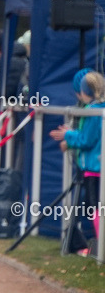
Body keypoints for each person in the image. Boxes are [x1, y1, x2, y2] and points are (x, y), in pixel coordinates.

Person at [50, 70, 105, 255]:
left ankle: (101, 246)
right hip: (98, 167)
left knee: (96, 209)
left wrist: (68, 135)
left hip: (93, 169)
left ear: (83, 92)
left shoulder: (92, 112)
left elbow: (86, 140)